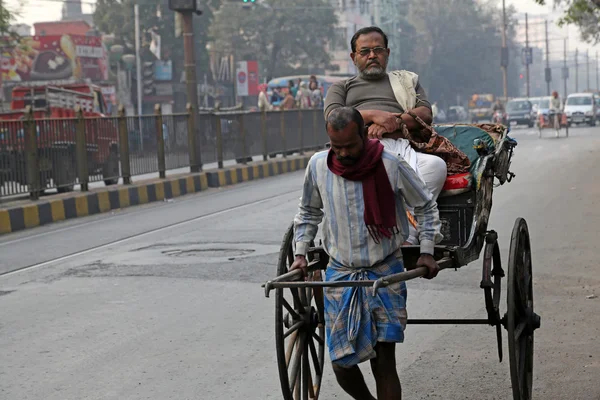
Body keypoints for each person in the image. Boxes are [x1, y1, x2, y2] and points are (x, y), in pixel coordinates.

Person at [292, 107, 443, 400]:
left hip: (384, 270)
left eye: (350, 146)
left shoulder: (390, 164)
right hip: (341, 272)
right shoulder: (319, 166)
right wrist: (301, 253)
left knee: (384, 361)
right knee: (341, 365)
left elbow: (424, 206)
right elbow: (309, 211)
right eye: (337, 147)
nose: (344, 153)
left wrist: (426, 250)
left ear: (364, 134)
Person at [324, 26, 447, 245]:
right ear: (353, 57)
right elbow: (333, 117)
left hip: (401, 145)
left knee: (436, 167)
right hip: (360, 149)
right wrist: (374, 115)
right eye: (365, 51)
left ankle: (409, 232)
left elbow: (425, 113)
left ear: (387, 54)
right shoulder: (341, 87)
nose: (372, 55)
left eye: (378, 50)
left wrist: (394, 122)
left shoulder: (406, 81)